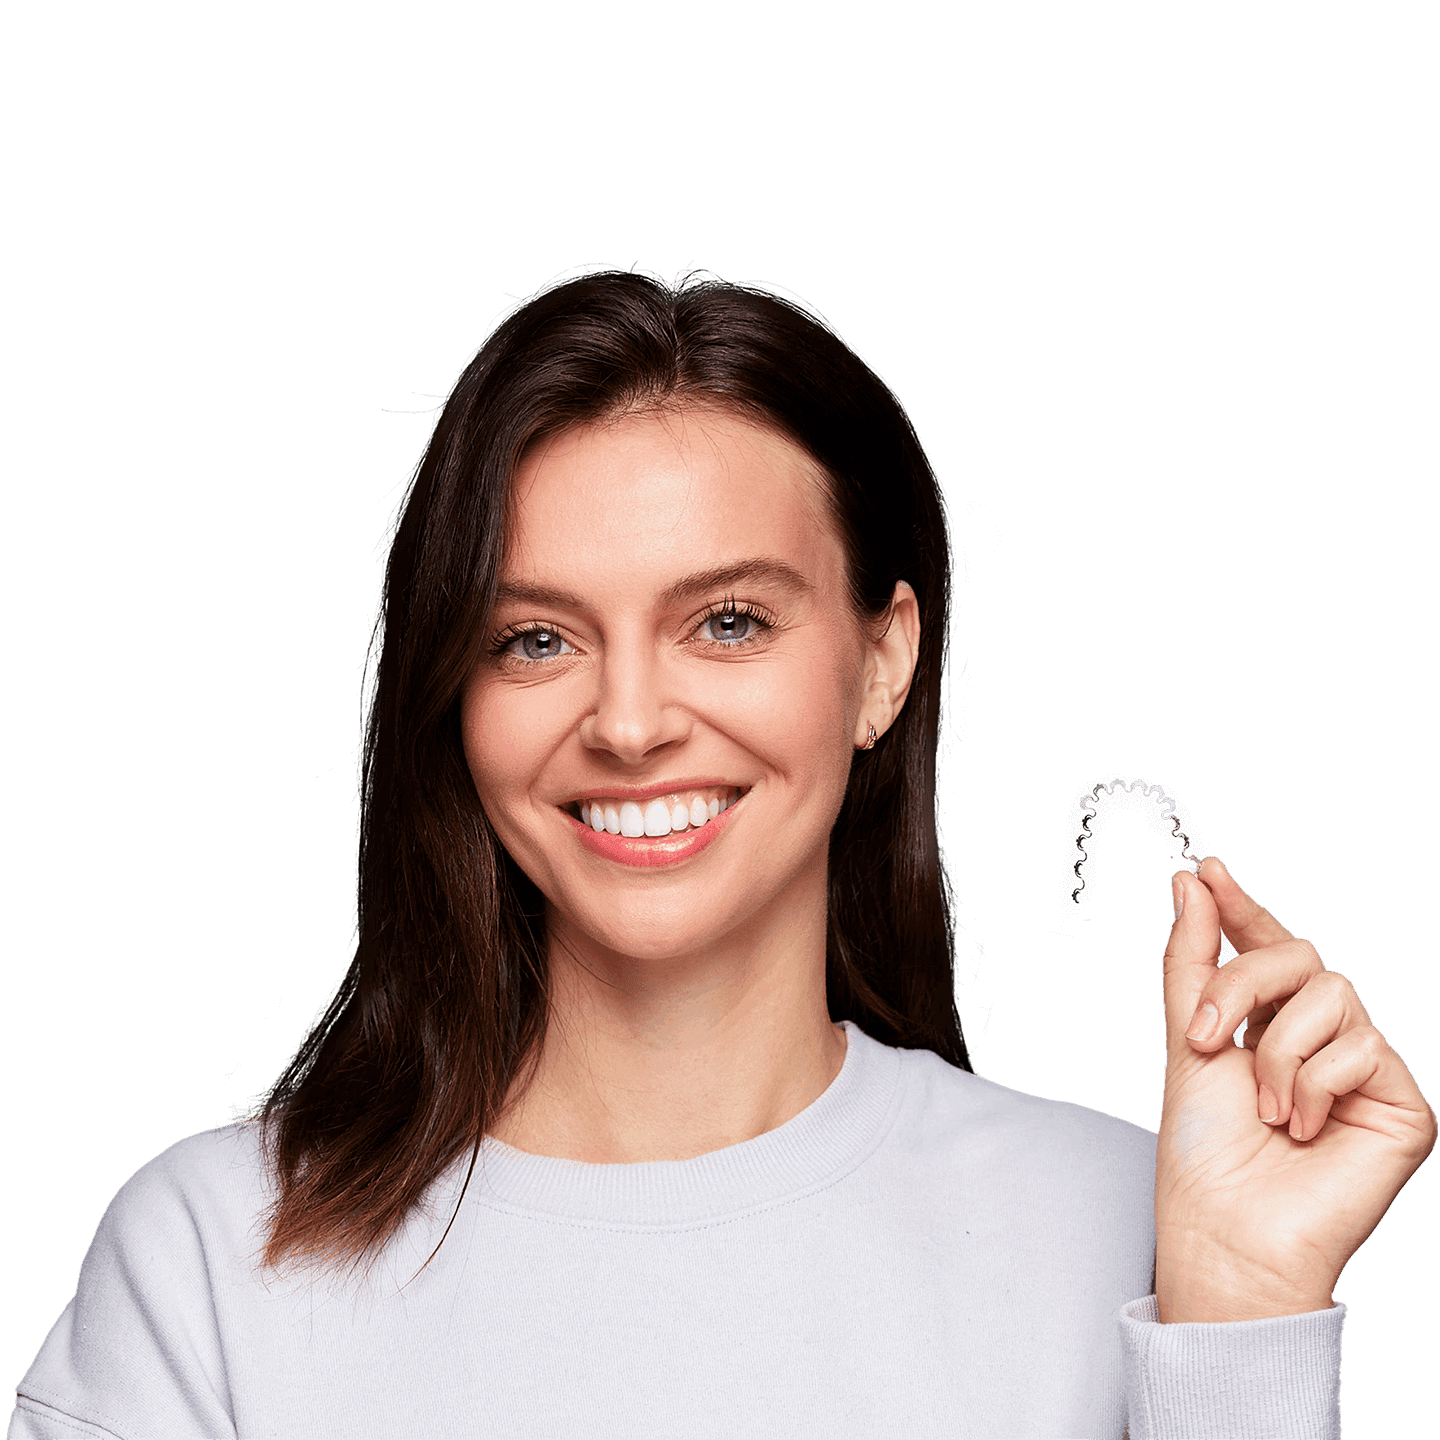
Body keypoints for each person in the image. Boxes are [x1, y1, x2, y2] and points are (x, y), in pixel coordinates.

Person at [10, 268, 1435, 1440]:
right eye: (537, 640)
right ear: (455, 696)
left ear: (884, 664)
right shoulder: (216, 1257)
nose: (629, 722)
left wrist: (1240, 1327)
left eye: (730, 621)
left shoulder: (1134, 1230)